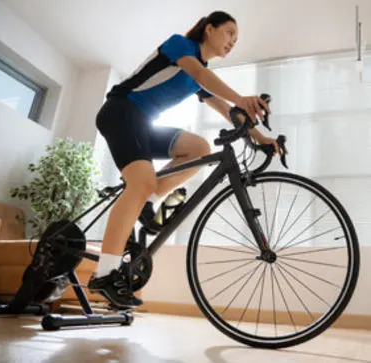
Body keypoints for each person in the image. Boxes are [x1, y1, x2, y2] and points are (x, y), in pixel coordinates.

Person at [88, 11, 280, 309]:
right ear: (209, 29)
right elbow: (202, 75)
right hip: (120, 112)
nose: (233, 42)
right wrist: (242, 97)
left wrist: (261, 138)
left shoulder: (198, 78)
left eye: (236, 39)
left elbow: (229, 111)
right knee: (140, 182)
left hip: (142, 124)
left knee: (199, 148)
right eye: (229, 33)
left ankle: (148, 201)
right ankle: (104, 274)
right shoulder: (181, 46)